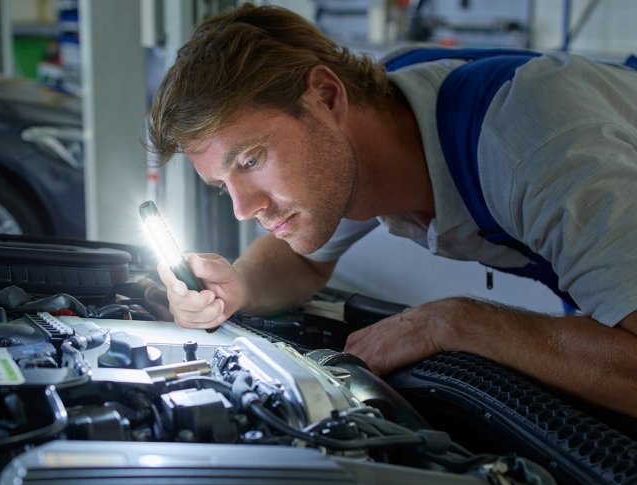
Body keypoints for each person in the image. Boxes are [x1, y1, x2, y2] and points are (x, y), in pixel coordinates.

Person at [146, 3, 637, 417]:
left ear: (326, 96)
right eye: (220, 186)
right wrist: (237, 288)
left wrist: (460, 322)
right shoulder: (372, 130)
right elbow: (298, 259)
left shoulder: (535, 148)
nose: (242, 208)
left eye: (251, 160)